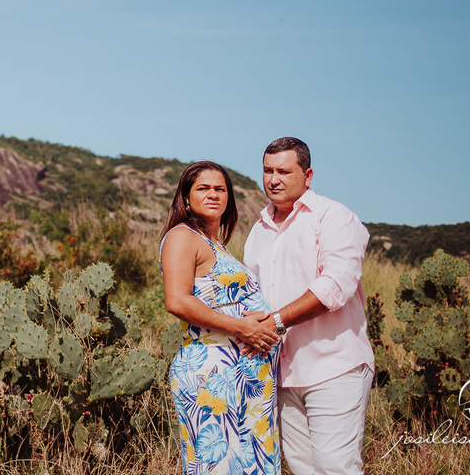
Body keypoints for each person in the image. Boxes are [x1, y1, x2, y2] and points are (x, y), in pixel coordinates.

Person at [243, 137, 375, 475]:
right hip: (281, 373)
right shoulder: (257, 231)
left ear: (308, 175)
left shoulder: (335, 217)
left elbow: (335, 286)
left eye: (285, 171)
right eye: (268, 170)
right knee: (303, 469)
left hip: (334, 366)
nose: (274, 179)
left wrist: (274, 322)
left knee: (335, 467)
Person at [160, 160, 281, 475]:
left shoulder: (218, 245)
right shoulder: (182, 237)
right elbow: (177, 301)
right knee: (218, 466)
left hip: (245, 375)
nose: (213, 194)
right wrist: (242, 327)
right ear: (186, 197)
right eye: (203, 188)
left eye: (220, 189)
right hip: (213, 372)